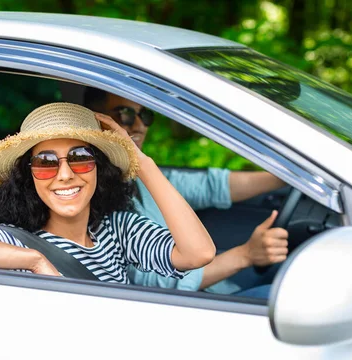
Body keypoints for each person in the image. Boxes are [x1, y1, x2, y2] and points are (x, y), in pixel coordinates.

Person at [0, 102, 216, 283]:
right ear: (29, 177)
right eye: (46, 162)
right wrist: (35, 259)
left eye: (80, 158)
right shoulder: (15, 240)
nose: (65, 174)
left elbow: (198, 254)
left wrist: (141, 161)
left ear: (99, 168)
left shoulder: (118, 231)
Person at [84, 88, 289, 297]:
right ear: (96, 120)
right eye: (124, 114)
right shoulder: (95, 206)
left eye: (145, 115)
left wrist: (287, 175)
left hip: (213, 287)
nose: (139, 125)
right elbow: (152, 283)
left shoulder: (143, 179)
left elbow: (210, 186)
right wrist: (246, 255)